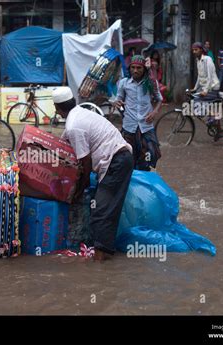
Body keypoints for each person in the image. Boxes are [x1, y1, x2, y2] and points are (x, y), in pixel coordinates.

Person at [52, 86, 133, 262]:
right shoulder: (79, 112)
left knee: (101, 212)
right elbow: (63, 143)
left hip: (116, 162)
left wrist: (80, 188)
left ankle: (100, 261)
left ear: (57, 109)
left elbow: (85, 161)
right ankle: (106, 255)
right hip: (118, 159)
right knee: (106, 211)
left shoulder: (74, 124)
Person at [112, 55, 163, 171]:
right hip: (129, 126)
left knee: (150, 154)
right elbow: (118, 99)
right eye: (133, 67)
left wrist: (154, 112)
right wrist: (117, 103)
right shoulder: (124, 83)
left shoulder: (151, 83)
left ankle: (144, 178)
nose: (135, 70)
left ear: (144, 69)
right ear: (129, 68)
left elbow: (159, 99)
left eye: (139, 68)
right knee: (128, 157)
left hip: (146, 126)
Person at [190, 42, 223, 141]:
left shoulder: (207, 60)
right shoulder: (198, 61)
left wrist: (205, 91)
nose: (194, 52)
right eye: (193, 50)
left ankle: (213, 117)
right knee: (196, 98)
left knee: (197, 100)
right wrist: (195, 88)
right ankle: (219, 130)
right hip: (206, 87)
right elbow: (199, 77)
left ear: (201, 49)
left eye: (196, 49)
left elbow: (210, 77)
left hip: (213, 87)